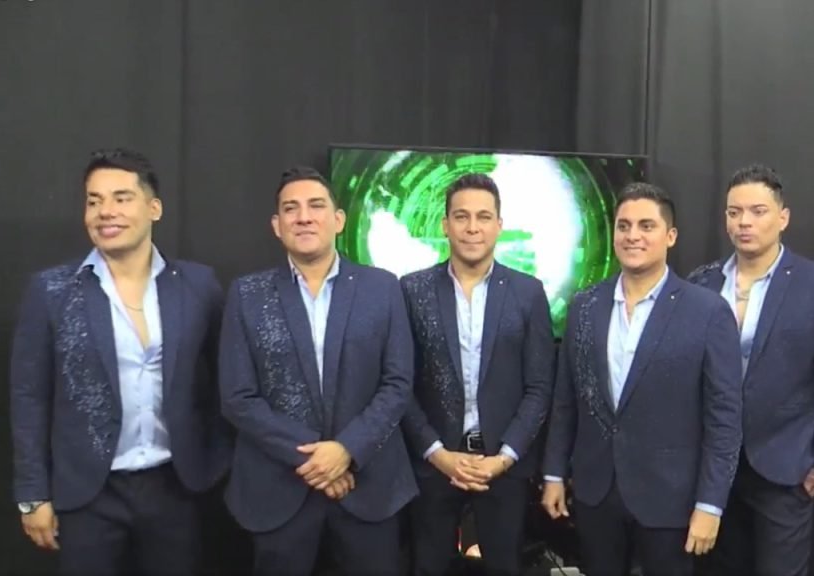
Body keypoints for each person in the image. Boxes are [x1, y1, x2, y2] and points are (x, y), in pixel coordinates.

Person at [10, 147, 231, 575]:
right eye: (94, 201)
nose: (105, 212)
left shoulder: (198, 285)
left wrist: (217, 461)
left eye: (121, 198)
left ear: (154, 208)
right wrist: (32, 495)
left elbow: (229, 380)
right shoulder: (51, 290)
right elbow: (28, 397)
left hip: (176, 486)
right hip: (88, 492)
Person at [219, 165, 417, 576]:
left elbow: (397, 384)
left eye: (316, 206)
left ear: (338, 219)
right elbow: (238, 397)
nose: (304, 217)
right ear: (277, 225)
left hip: (369, 487)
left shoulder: (382, 288)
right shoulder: (247, 294)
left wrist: (347, 451)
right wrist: (319, 459)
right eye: (291, 209)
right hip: (278, 490)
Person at [541, 182, 744, 576]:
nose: (633, 235)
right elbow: (566, 400)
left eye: (646, 226)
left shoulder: (707, 312)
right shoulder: (585, 306)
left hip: (671, 500)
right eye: (624, 226)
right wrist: (553, 473)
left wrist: (710, 505)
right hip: (596, 494)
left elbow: (724, 419)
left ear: (671, 236)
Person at [687, 163, 814, 576]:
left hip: (785, 469)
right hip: (712, 470)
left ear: (783, 218)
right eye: (734, 212)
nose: (744, 222)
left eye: (757, 211)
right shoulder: (701, 283)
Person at [401, 173, 555, 575]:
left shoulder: (528, 292)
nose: (472, 227)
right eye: (462, 216)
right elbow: (400, 385)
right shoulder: (412, 290)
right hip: (433, 465)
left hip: (503, 467)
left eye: (483, 217)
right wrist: (438, 454)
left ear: (499, 225)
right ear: (445, 224)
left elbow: (539, 388)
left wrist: (503, 459)